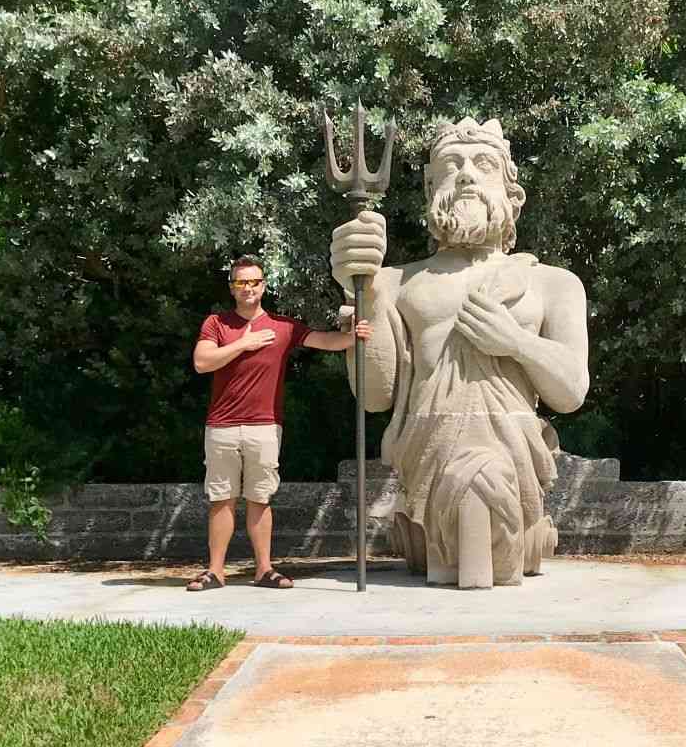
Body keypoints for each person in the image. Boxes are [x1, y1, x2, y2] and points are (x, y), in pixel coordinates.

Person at [329, 117, 590, 588]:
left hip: (514, 453)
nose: (466, 175)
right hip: (428, 454)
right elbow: (375, 395)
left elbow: (571, 392)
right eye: (451, 165)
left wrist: (516, 343)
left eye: (483, 164)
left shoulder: (552, 283)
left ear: (512, 193)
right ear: (431, 189)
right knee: (447, 554)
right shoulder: (394, 282)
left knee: (493, 527)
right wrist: (361, 287)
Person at [188, 255, 368, 591]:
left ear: (264, 286)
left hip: (265, 426)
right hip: (222, 426)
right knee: (222, 499)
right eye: (241, 282)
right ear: (232, 287)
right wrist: (244, 343)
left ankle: (264, 570)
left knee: (260, 498)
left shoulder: (283, 326)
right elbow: (202, 362)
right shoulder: (217, 323)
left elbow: (326, 341)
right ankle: (215, 572)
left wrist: (354, 335)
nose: (248, 288)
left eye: (254, 281)